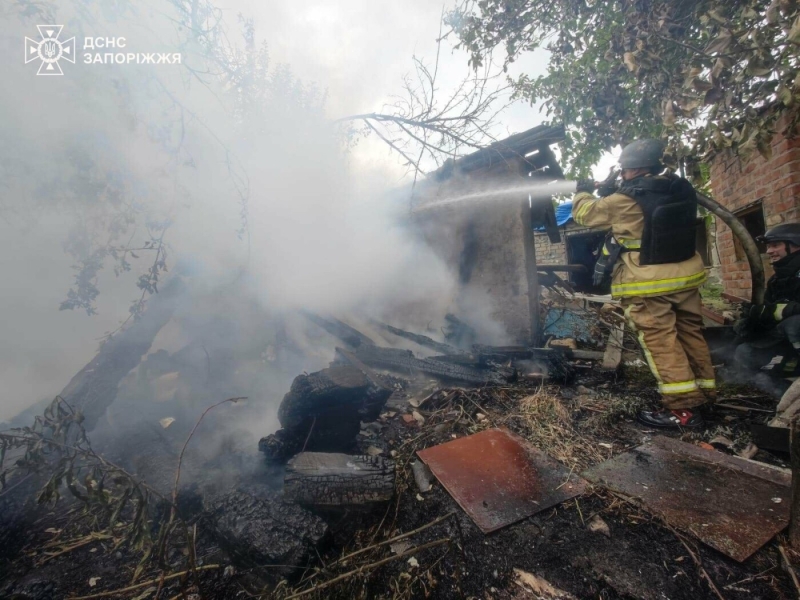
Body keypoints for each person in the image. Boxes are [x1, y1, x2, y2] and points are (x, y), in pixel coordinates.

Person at [571, 139, 715, 428]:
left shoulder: (624, 200)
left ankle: (683, 411)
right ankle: (705, 396)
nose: (622, 176)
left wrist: (582, 191)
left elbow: (585, 214)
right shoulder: (677, 188)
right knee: (690, 334)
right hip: (686, 277)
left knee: (661, 342)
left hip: (649, 284)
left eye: (623, 171)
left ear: (633, 169)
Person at [733, 223, 800, 380]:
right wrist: (753, 321)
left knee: (795, 324)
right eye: (768, 246)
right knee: (745, 352)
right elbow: (769, 312)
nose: (769, 251)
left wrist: (784, 310)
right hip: (787, 343)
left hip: (795, 331)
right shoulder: (777, 279)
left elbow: (784, 313)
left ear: (796, 245)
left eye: (775, 245)